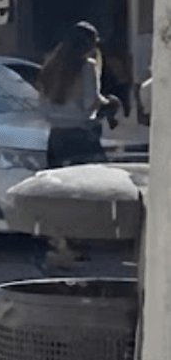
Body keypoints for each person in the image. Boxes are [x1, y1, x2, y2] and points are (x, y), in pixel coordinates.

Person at [37, 22, 113, 269]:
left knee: (60, 190)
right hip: (81, 135)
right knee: (89, 189)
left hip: (56, 136)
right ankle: (80, 240)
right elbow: (90, 103)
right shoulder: (87, 67)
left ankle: (60, 242)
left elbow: (42, 106)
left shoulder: (50, 65)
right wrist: (106, 102)